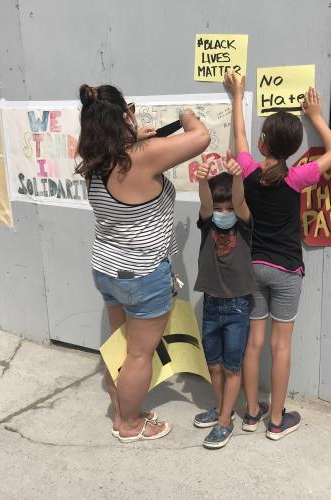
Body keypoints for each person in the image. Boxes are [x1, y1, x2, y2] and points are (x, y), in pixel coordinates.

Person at [76, 84, 210, 442]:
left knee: (120, 345)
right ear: (124, 117)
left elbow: (128, 167)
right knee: (138, 355)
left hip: (107, 268)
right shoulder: (141, 156)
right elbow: (200, 137)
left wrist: (137, 140)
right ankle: (130, 424)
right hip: (142, 275)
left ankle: (121, 406)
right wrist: (186, 116)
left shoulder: (93, 163)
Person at [224, 70, 331, 440]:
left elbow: (239, 136)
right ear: (292, 149)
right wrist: (316, 117)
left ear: (263, 144)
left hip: (253, 267)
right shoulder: (298, 178)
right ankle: (277, 421)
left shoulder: (248, 171)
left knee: (254, 342)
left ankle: (251, 413)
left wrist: (238, 94)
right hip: (287, 270)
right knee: (281, 345)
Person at [192, 151, 258, 449]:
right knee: (214, 365)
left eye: (227, 206)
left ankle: (223, 423)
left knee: (233, 367)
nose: (223, 211)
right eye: (220, 207)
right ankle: (222, 410)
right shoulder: (208, 223)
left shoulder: (244, 224)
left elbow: (242, 202)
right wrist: (203, 179)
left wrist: (237, 176)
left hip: (238, 306)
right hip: (210, 304)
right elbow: (205, 203)